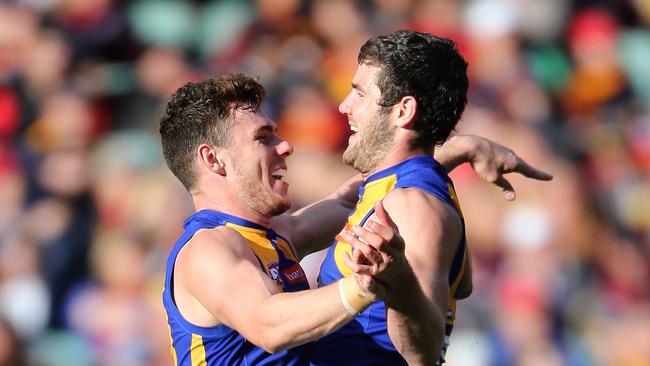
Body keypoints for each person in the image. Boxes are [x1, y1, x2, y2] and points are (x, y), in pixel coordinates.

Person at [158, 71, 551, 364]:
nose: (286, 146)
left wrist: (460, 148)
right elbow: (269, 325)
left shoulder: (273, 237)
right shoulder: (207, 250)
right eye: (263, 138)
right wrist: (366, 285)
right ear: (212, 159)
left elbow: (356, 198)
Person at [305, 30, 553, 366]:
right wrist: (464, 147)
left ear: (403, 110)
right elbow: (460, 286)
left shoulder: (412, 205)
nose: (344, 107)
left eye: (359, 94)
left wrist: (399, 280)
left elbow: (424, 349)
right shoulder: (410, 187)